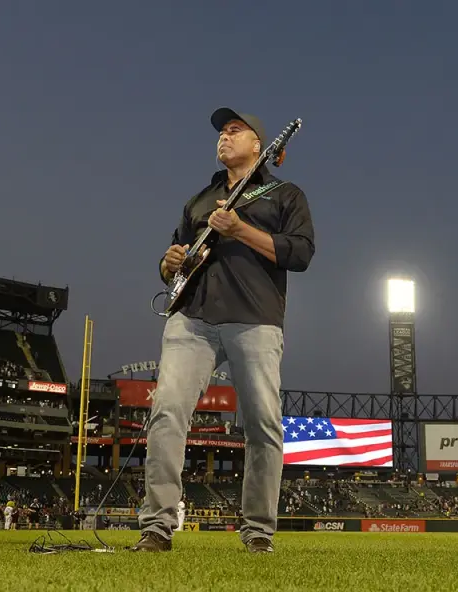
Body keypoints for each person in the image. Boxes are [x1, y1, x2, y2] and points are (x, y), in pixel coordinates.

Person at [135, 107, 314, 554]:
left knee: (262, 425)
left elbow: (302, 253)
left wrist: (241, 230)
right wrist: (168, 262)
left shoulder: (284, 193)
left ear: (259, 144)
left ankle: (258, 532)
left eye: (235, 130)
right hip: (191, 319)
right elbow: (173, 259)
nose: (224, 137)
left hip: (254, 320)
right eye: (221, 132)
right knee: (168, 413)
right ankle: (157, 527)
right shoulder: (200, 198)